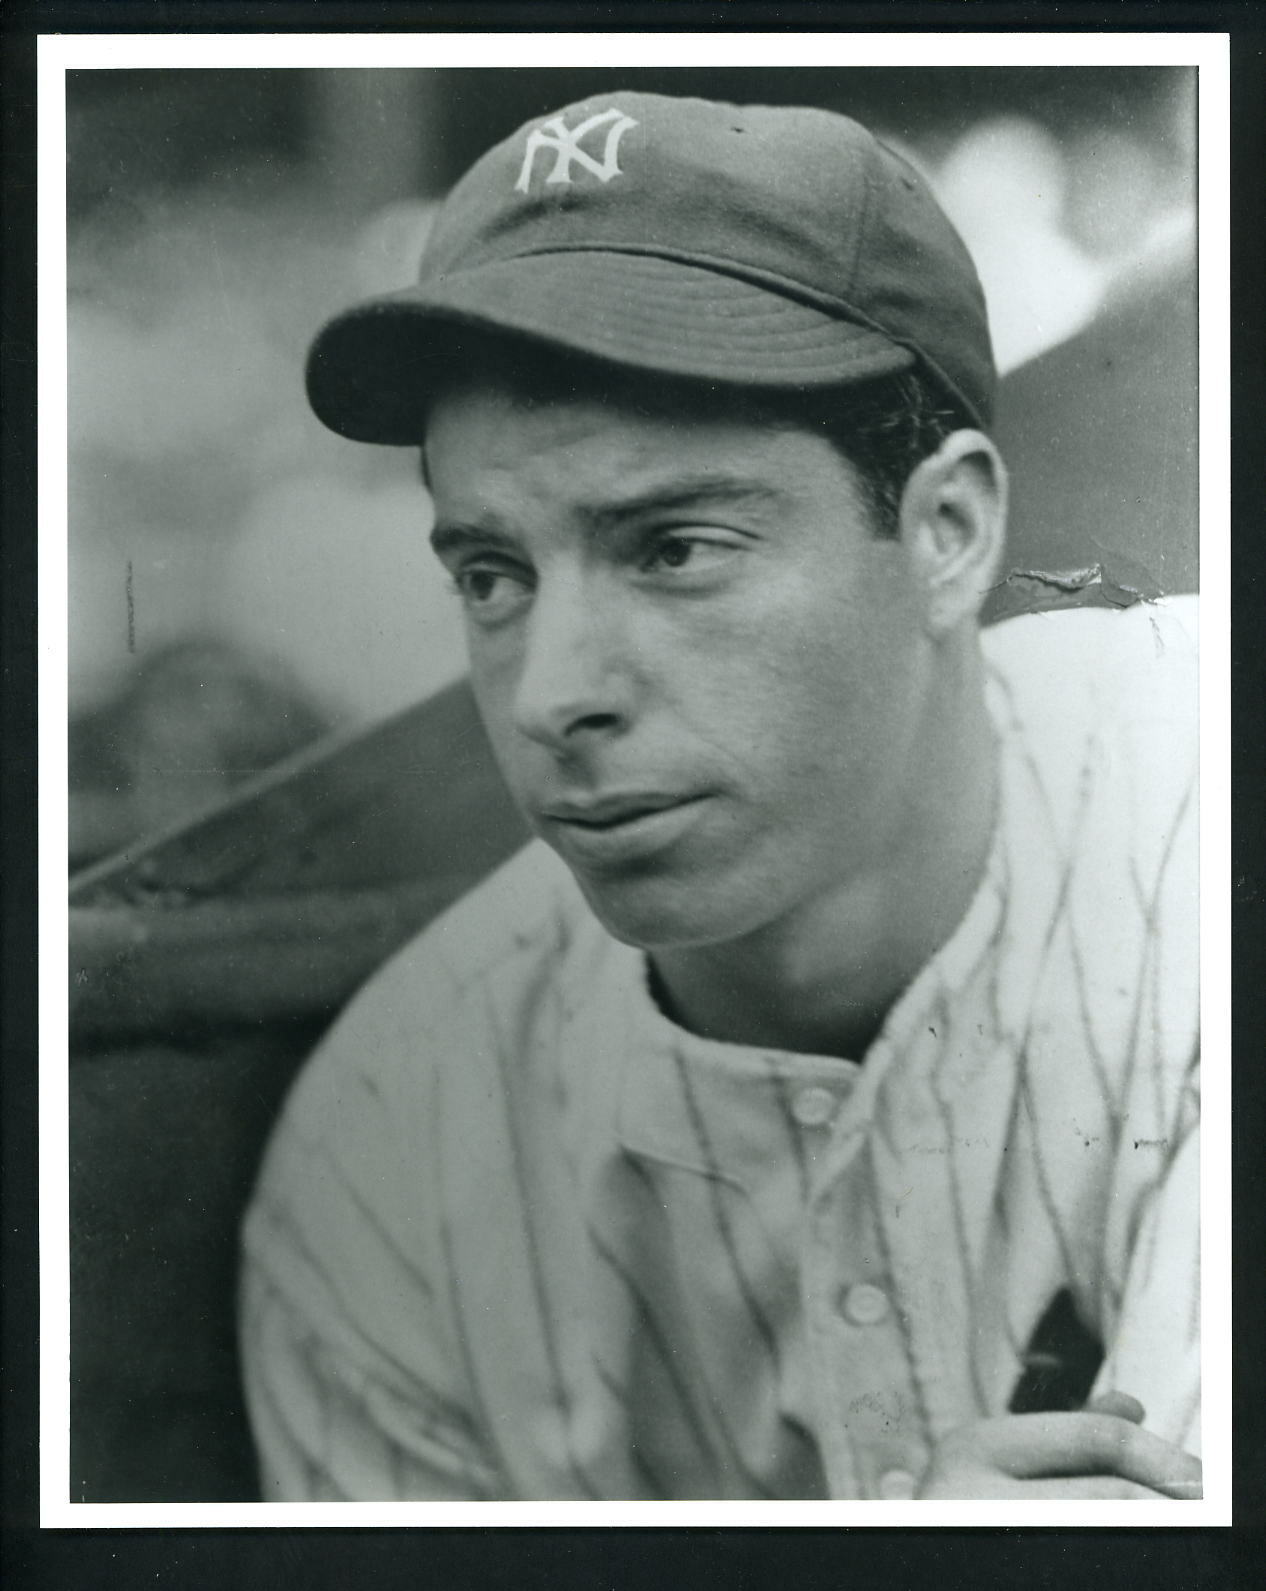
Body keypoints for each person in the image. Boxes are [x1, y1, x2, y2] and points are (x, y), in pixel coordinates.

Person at [238, 92, 1200, 1502]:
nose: (550, 692)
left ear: (947, 531)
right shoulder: (387, 1151)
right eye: (491, 574)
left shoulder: (1199, 830)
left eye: (674, 549)